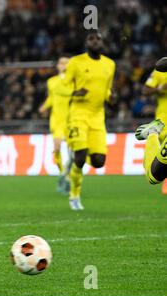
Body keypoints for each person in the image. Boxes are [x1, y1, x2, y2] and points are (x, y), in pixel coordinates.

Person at [62, 30, 116, 210]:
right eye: (91, 39)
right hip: (78, 113)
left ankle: (78, 154)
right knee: (80, 158)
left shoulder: (110, 65)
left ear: (102, 43)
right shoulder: (76, 62)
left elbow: (106, 89)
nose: (94, 41)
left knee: (99, 161)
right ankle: (74, 195)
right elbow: (63, 87)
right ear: (86, 43)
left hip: (98, 116)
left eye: (98, 39)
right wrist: (74, 92)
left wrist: (111, 97)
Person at [38, 54, 73, 195]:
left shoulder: (74, 82)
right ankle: (63, 175)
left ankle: (68, 176)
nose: (63, 65)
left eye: (66, 63)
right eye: (61, 63)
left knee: (73, 154)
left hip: (72, 120)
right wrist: (44, 107)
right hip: (57, 119)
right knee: (57, 148)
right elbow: (52, 98)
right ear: (58, 66)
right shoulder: (51, 81)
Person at [141, 60, 167, 193]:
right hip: (163, 117)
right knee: (154, 176)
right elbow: (145, 90)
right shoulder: (159, 74)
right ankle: (152, 133)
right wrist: (160, 88)